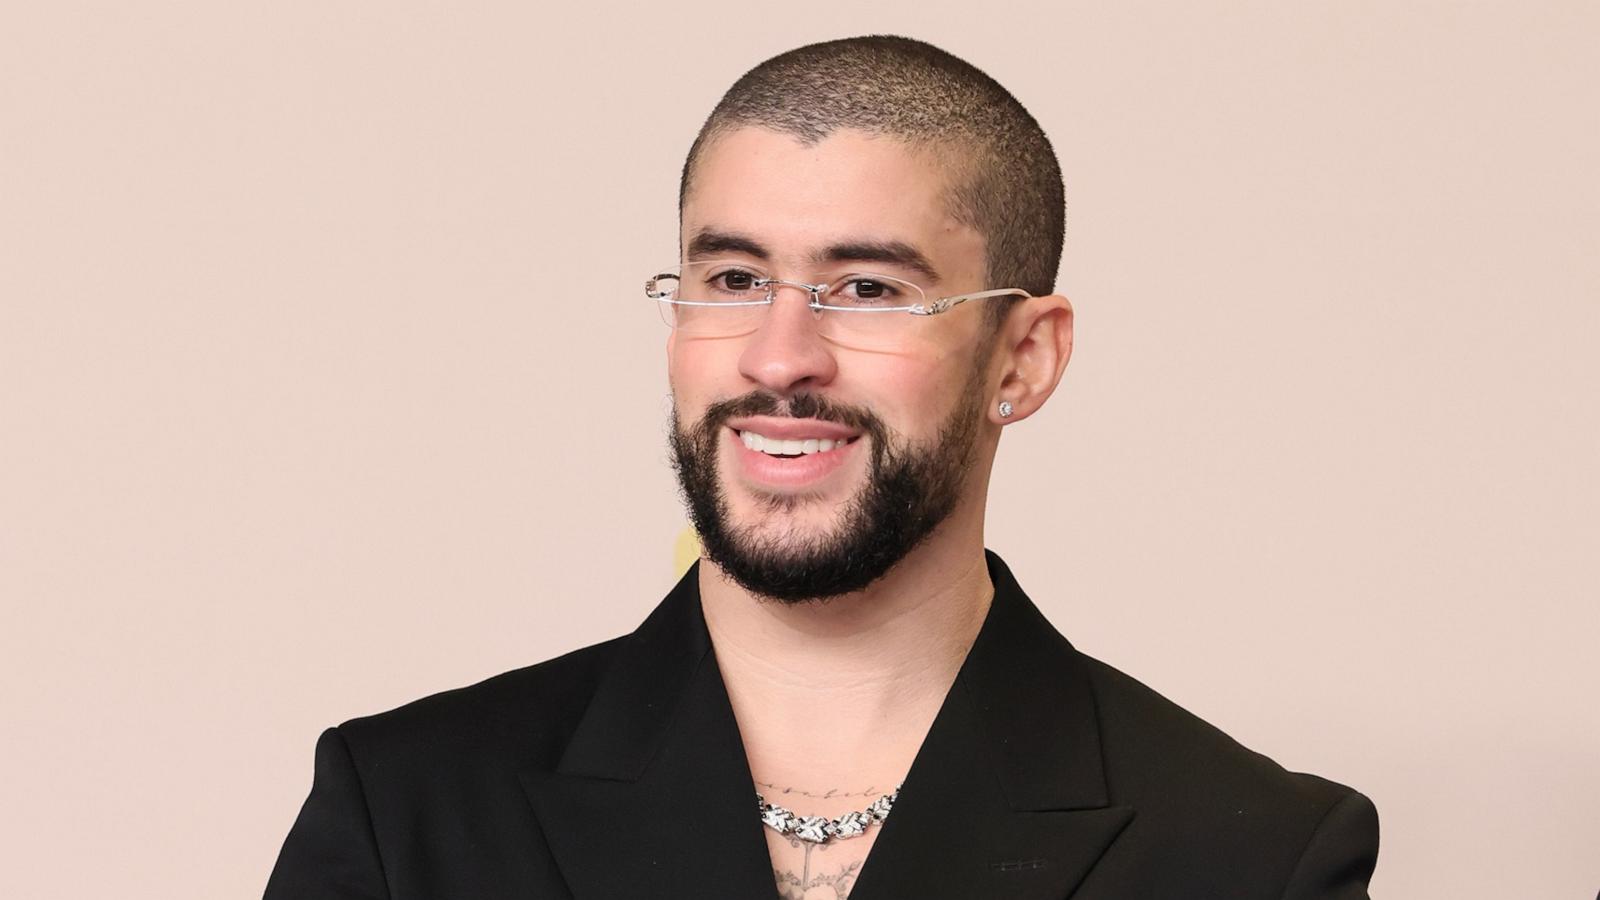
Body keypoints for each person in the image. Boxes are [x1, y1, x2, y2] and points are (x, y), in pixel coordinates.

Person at [265, 35, 1379, 899]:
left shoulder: (1248, 853)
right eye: (736, 278)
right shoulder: (412, 811)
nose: (778, 357)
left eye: (869, 289)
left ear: (1023, 357)